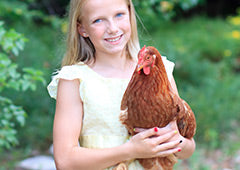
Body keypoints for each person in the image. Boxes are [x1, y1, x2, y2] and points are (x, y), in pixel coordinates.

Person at [47, 0, 196, 169]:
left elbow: (188, 149)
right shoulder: (75, 80)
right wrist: (131, 150)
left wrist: (174, 140)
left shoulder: (157, 71)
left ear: (130, 15)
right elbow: (65, 161)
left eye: (119, 15)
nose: (112, 28)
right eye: (98, 20)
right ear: (82, 29)